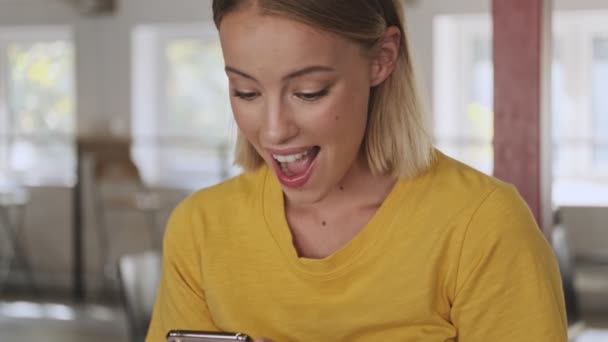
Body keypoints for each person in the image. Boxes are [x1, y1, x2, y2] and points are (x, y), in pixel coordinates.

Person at [147, 0, 568, 341]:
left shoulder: (482, 226)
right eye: (246, 92)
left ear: (381, 59)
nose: (274, 130)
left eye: (309, 92)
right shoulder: (200, 228)